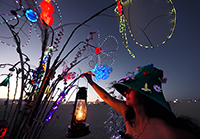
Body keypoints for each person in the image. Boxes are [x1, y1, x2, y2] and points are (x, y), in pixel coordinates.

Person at [84, 64, 200, 139]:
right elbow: (107, 98)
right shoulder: (128, 114)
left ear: (143, 96)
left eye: (130, 90)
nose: (125, 93)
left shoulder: (163, 129)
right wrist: (90, 81)